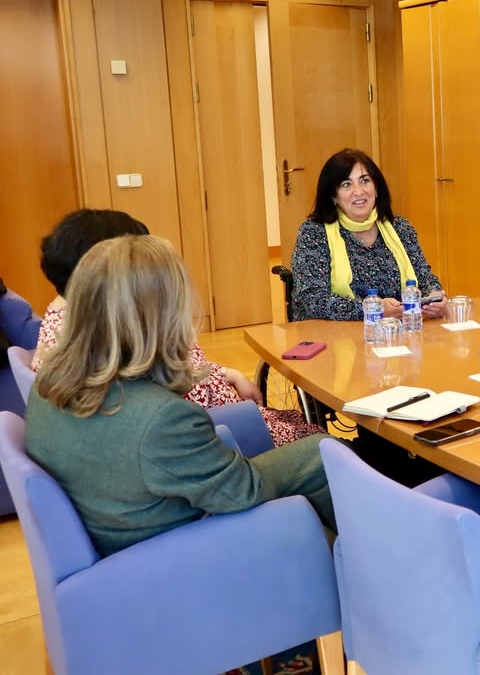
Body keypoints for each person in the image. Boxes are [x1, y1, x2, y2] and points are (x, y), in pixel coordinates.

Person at [25, 235, 335, 557]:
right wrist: (318, 453)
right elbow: (242, 493)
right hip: (179, 557)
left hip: (120, 530)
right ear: (161, 316)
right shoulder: (161, 419)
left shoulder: (48, 386)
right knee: (323, 452)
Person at [32, 209, 321, 447]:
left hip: (231, 418)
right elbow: (177, 409)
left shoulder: (83, 320)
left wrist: (226, 373)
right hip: (229, 432)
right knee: (325, 444)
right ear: (102, 272)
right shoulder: (107, 339)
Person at [292, 149, 446, 321]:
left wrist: (435, 297)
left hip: (397, 332)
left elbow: (424, 277)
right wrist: (374, 309)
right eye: (346, 184)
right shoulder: (314, 232)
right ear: (333, 196)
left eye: (364, 181)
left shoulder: (400, 228)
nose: (358, 192)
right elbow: (312, 299)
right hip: (336, 336)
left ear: (376, 188)